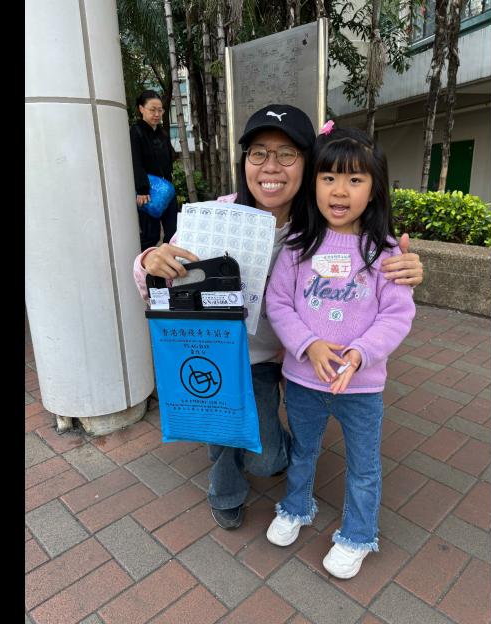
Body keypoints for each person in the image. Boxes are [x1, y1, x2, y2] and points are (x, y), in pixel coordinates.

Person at [132, 105, 423, 530]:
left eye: (287, 154)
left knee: (268, 459)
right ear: (245, 161)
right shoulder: (218, 216)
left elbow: (370, 260)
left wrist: (407, 266)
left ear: (308, 164)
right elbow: (161, 273)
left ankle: (252, 435)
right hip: (218, 351)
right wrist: (149, 261)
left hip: (274, 359)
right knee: (224, 424)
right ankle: (225, 486)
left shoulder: (317, 225)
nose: (271, 166)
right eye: (259, 153)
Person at [263, 125, 416, 580]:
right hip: (303, 380)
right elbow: (279, 302)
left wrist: (360, 354)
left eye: (355, 179)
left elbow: (396, 315)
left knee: (363, 466)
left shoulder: (385, 252)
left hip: (361, 387)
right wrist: (308, 345)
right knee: (303, 450)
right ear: (314, 183)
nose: (340, 191)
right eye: (328, 177)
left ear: (375, 188)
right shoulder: (299, 244)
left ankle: (358, 534)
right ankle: (296, 506)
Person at [130, 90, 179, 251]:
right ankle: (142, 264)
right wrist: (142, 189)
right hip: (147, 192)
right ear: (141, 109)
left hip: (166, 189)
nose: (157, 114)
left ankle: (167, 263)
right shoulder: (136, 132)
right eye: (152, 110)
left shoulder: (162, 133)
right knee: (150, 235)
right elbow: (135, 161)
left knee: (173, 233)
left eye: (160, 110)